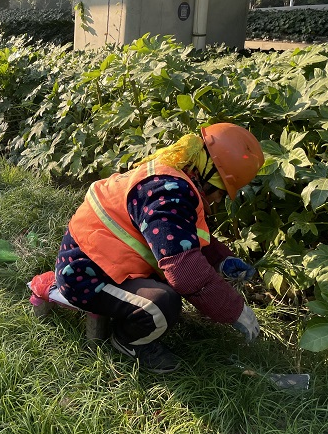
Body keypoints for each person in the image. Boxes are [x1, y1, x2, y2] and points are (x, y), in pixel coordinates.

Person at [40, 123, 265, 374]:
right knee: (161, 304)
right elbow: (184, 270)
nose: (219, 200)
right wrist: (234, 310)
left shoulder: (170, 180)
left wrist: (221, 260)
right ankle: (129, 342)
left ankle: (128, 315)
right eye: (222, 191)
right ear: (208, 173)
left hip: (101, 264)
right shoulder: (169, 194)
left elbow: (181, 237)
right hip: (85, 276)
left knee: (174, 288)